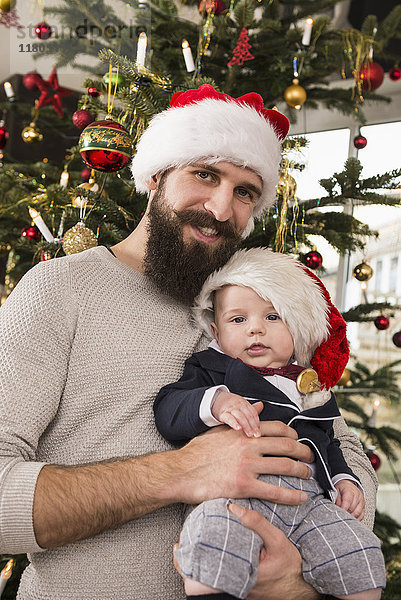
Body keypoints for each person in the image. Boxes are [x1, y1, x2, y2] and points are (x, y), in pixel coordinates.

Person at [0, 85, 378, 600]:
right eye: (205, 174)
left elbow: (340, 444)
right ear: (156, 176)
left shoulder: (252, 301)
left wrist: (295, 580)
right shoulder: (59, 292)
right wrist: (180, 472)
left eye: (245, 191)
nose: (221, 209)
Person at [154, 248, 386, 600]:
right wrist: (215, 401)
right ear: (215, 332)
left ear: (297, 328)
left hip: (308, 505)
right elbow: (168, 408)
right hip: (236, 496)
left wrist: (343, 479)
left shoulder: (310, 386)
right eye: (238, 320)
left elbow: (329, 441)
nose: (256, 329)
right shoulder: (210, 370)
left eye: (273, 317)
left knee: (359, 551)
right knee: (213, 537)